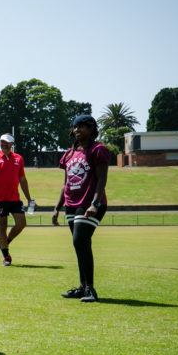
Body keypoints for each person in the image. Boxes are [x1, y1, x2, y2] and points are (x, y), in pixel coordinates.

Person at [52, 115, 110, 303]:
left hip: (89, 204)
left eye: (82, 126)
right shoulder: (69, 153)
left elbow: (102, 179)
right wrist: (57, 207)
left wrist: (95, 203)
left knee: (80, 241)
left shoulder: (98, 149)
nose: (77, 130)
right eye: (75, 126)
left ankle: (90, 289)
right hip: (71, 204)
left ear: (92, 129)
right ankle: (82, 287)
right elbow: (66, 182)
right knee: (79, 245)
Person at [0, 133, 34, 266]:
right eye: (1, 141)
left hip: (14, 198)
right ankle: (6, 256)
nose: (3, 144)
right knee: (2, 226)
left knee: (21, 223)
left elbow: (22, 179)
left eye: (6, 142)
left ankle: (4, 243)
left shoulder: (18, 159)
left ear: (12, 144)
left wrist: (29, 199)